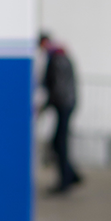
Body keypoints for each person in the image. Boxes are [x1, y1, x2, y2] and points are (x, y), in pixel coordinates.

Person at [40, 32, 81, 194]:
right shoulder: (61, 55)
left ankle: (65, 181)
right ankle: (71, 175)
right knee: (59, 142)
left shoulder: (56, 58)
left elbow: (57, 86)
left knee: (60, 143)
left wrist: (46, 105)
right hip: (67, 104)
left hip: (63, 105)